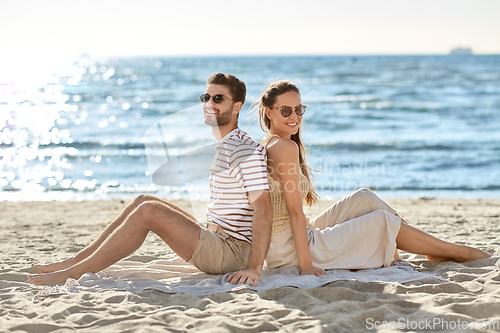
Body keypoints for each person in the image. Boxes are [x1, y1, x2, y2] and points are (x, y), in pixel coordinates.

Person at [28, 73, 273, 286]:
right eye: (205, 98)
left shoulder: (243, 150)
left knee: (148, 211)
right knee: (143, 200)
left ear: (237, 107)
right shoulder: (228, 144)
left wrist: (254, 267)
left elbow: (263, 207)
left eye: (218, 98)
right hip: (217, 236)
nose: (209, 103)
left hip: (231, 252)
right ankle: (75, 261)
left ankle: (74, 272)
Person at [253, 80, 491, 277]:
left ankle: (432, 249)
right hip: (290, 251)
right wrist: (305, 266)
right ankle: (456, 252)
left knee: (364, 198)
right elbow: (294, 211)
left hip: (292, 238)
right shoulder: (285, 147)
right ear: (268, 112)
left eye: (298, 109)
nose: (294, 116)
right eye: (285, 110)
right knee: (381, 221)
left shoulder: (272, 142)